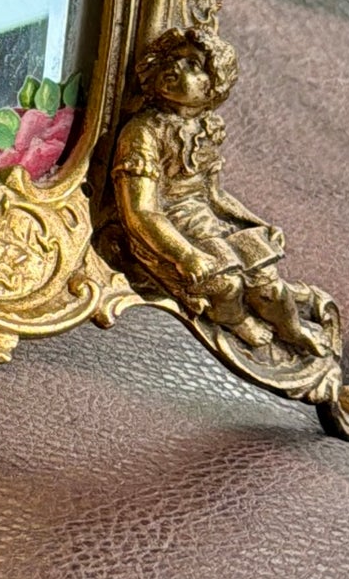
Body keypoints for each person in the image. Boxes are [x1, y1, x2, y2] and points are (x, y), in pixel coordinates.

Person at [113, 25, 328, 354]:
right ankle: (236, 319)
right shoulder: (144, 131)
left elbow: (214, 195)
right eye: (174, 59)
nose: (177, 67)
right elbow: (142, 211)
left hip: (208, 221)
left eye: (194, 65)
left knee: (269, 286)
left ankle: (293, 331)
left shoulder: (207, 128)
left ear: (214, 89)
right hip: (169, 229)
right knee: (227, 284)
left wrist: (256, 223)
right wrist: (187, 255)